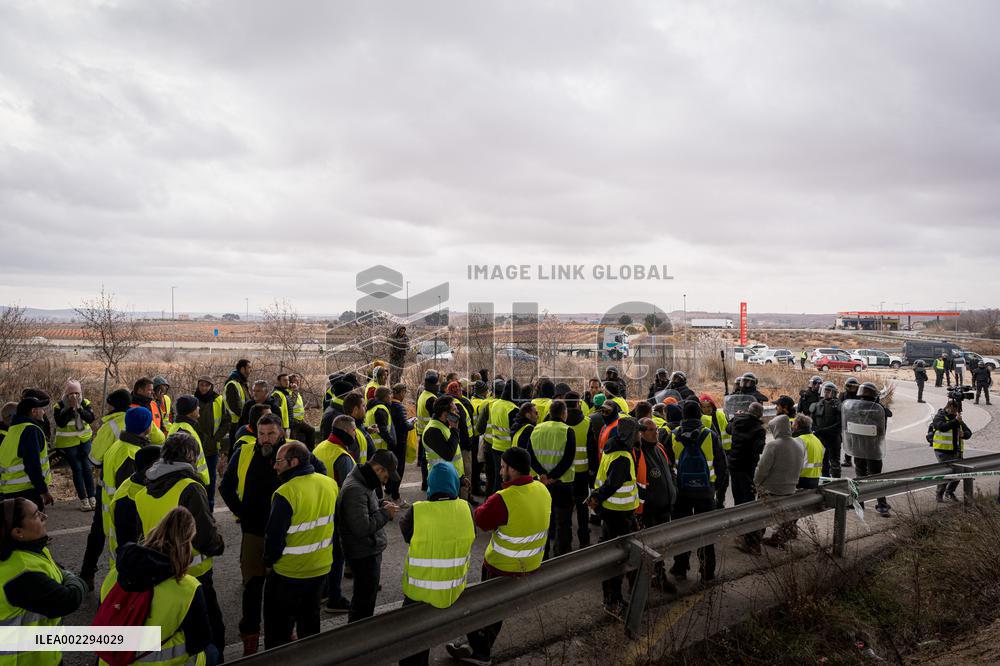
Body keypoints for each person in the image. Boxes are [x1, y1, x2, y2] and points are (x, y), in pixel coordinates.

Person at [220, 414, 325, 654]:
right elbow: (225, 486)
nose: (265, 439)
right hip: (255, 533)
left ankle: (284, 633)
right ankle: (250, 636)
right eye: (261, 433)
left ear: (281, 433)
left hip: (289, 535)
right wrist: (242, 512)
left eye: (271, 434)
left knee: (282, 591)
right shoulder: (244, 453)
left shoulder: (293, 452)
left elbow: (319, 470)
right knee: (253, 588)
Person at [446, 447, 550, 665]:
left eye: (503, 467)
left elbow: (481, 520)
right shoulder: (542, 489)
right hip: (531, 563)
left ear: (512, 469)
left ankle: (481, 652)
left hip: (503, 565)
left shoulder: (504, 498)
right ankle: (476, 646)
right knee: (495, 608)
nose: (500, 470)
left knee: (483, 608)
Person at [133, 432, 226, 657]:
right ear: (189, 456)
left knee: (176, 633)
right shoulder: (190, 488)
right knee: (211, 633)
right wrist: (219, 545)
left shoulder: (144, 490)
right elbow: (205, 537)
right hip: (194, 575)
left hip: (161, 575)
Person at [101, 507, 215, 665]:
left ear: (155, 531)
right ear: (187, 544)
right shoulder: (188, 588)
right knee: (211, 652)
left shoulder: (114, 574)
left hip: (110, 661)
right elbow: (199, 642)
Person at [399, 462, 476, 666]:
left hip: (418, 592)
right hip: (454, 589)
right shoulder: (467, 508)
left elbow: (407, 536)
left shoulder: (416, 511)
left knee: (412, 646)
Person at [262, 441, 338, 649]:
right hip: (320, 568)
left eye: (278, 461)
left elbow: (274, 537)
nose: (275, 466)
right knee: (310, 626)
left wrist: (269, 562)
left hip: (289, 572)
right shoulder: (329, 484)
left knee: (278, 632)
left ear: (293, 462)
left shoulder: (286, 492)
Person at [0, 497, 87, 665]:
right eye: (35, 515)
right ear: (18, 532)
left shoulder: (28, 551)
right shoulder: (22, 574)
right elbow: (69, 600)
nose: (44, 516)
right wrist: (76, 580)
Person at [336, 448, 400, 623]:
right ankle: (359, 637)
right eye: (386, 476)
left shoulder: (364, 480)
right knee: (363, 603)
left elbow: (362, 508)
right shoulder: (356, 488)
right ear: (378, 469)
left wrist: (380, 504)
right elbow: (361, 527)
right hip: (363, 552)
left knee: (366, 597)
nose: (386, 482)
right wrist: (385, 513)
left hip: (366, 549)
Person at [666, 400, 727, 581]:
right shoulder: (710, 435)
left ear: (683, 416)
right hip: (705, 492)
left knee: (682, 532)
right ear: (700, 415)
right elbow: (722, 465)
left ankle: (680, 568)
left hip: (681, 492)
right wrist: (715, 487)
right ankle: (707, 571)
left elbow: (667, 464)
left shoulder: (673, 435)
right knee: (706, 533)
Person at [588, 418, 639, 614]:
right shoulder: (622, 458)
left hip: (612, 513)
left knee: (613, 556)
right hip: (619, 516)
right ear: (629, 435)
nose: (639, 435)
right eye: (636, 432)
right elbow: (611, 485)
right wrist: (597, 498)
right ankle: (613, 601)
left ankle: (611, 599)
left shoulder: (612, 450)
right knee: (618, 560)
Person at [314, 414, 358, 615]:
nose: (355, 433)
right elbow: (348, 490)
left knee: (325, 553)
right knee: (337, 556)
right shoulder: (343, 457)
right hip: (335, 512)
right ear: (346, 431)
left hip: (317, 509)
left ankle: (323, 591)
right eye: (353, 430)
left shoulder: (320, 447)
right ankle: (335, 597)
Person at [100, 407, 154, 568]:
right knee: (126, 565)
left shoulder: (117, 445)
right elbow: (131, 493)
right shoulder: (132, 455)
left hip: (111, 513)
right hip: (124, 519)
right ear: (146, 427)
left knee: (117, 562)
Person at [105, 445, 161, 597]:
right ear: (151, 469)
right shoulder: (129, 499)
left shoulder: (137, 485)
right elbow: (129, 545)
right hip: (132, 572)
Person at [528, 399, 575, 558]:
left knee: (544, 520)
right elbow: (568, 459)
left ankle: (543, 554)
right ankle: (561, 554)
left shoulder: (536, 429)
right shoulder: (567, 430)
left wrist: (543, 475)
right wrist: (554, 477)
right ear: (564, 413)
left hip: (541, 483)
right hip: (563, 484)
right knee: (563, 522)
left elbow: (530, 456)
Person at [756, 415, 807, 549]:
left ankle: (754, 541)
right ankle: (780, 538)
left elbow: (762, 469)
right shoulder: (799, 444)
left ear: (776, 429)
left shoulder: (773, 445)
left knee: (759, 516)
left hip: (771, 490)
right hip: (790, 490)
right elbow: (800, 467)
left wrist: (756, 484)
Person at [0, 390, 53, 511]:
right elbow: (32, 464)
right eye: (41, 409)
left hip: (8, 492)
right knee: (35, 527)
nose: (43, 412)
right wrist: (44, 491)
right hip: (27, 492)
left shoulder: (12, 431)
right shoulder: (30, 430)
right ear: (34, 411)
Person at [846, 382, 893, 517]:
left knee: (864, 476)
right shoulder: (874, 410)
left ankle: (864, 503)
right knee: (874, 478)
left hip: (863, 448)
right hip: (868, 449)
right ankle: (877, 505)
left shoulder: (858, 409)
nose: (862, 400)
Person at [51, 379, 97, 511]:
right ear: (66, 393)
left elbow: (90, 418)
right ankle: (83, 500)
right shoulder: (59, 406)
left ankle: (92, 497)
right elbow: (61, 423)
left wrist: (79, 408)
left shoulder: (85, 403)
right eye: (71, 393)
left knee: (87, 468)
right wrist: (71, 408)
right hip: (68, 443)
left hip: (84, 440)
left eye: (77, 393)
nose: (75, 396)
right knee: (77, 469)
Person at [728, 402, 766, 554]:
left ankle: (740, 530)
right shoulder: (759, 429)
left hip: (734, 463)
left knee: (737, 496)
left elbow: (727, 429)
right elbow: (759, 448)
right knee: (749, 498)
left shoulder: (737, 421)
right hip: (747, 466)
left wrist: (734, 418)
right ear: (760, 415)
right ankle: (748, 535)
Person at [565, 391, 596, 549]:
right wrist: (592, 470)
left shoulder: (560, 422)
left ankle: (566, 540)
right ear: (578, 403)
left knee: (565, 508)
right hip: (582, 472)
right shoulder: (587, 422)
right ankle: (584, 539)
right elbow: (591, 448)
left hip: (563, 474)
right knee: (582, 506)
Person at [194, 376, 228, 509]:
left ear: (211, 386)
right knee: (196, 480)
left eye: (207, 385)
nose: (204, 388)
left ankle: (210, 509)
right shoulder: (193, 400)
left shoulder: (218, 400)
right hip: (195, 448)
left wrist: (215, 439)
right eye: (201, 384)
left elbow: (226, 422)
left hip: (212, 448)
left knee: (211, 480)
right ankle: (197, 509)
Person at [930, 400, 972, 502]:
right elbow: (942, 427)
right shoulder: (939, 417)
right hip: (943, 450)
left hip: (956, 451)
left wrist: (964, 434)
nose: (955, 413)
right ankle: (939, 494)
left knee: (959, 473)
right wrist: (956, 421)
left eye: (957, 411)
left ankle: (950, 492)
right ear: (949, 408)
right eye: (954, 411)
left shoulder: (957, 418)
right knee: (946, 473)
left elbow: (969, 432)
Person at [422, 396, 465, 494]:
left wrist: (461, 477)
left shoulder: (444, 425)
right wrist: (454, 429)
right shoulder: (432, 431)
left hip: (451, 477)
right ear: (445, 413)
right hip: (441, 480)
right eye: (454, 409)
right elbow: (448, 454)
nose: (457, 411)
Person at [167, 394, 212, 487]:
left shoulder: (182, 426)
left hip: (195, 482)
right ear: (190, 411)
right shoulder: (184, 432)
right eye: (196, 406)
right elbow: (185, 466)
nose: (199, 408)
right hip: (193, 483)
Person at [486, 379, 520, 496]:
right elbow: (515, 432)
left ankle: (492, 502)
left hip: (495, 447)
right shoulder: (513, 409)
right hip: (508, 451)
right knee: (507, 481)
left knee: (497, 478)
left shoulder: (495, 404)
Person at [699, 395, 730, 509]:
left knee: (724, 479)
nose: (707, 409)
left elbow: (726, 431)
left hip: (722, 451)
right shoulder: (701, 420)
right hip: (708, 454)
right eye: (704, 407)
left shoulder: (720, 415)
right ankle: (712, 502)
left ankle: (720, 501)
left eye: (709, 406)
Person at [810, 382, 843, 478]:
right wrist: (816, 429)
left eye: (828, 391)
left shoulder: (839, 406)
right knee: (823, 460)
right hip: (820, 437)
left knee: (835, 461)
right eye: (825, 391)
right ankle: (825, 481)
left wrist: (825, 430)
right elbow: (813, 420)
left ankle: (837, 483)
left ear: (834, 392)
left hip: (833, 437)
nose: (826, 393)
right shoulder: (817, 405)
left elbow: (840, 423)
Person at [387, 384, 412, 502]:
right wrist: (412, 423)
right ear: (399, 392)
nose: (404, 395)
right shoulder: (399, 407)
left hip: (391, 440)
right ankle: (395, 493)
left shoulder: (389, 404)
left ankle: (388, 488)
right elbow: (404, 425)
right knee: (399, 467)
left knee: (391, 465)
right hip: (400, 441)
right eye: (404, 392)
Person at [131, 377, 166, 446]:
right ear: (140, 390)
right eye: (150, 390)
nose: (153, 392)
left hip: (157, 447)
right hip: (138, 447)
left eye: (153, 390)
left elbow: (161, 426)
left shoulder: (154, 404)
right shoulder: (131, 407)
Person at [225, 359, 253, 447]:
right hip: (236, 424)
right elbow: (235, 407)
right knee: (235, 450)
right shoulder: (232, 384)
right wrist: (247, 417)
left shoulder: (242, 382)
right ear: (242, 369)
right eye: (249, 368)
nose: (250, 370)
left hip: (242, 423)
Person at [365, 386, 397, 454]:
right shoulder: (380, 409)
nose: (391, 398)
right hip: (380, 448)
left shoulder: (371, 408)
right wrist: (392, 442)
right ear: (385, 397)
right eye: (390, 396)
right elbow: (382, 430)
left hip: (372, 446)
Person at [288, 373, 316, 448]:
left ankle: (310, 452)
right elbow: (292, 404)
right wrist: (294, 390)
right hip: (293, 422)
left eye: (298, 381)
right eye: (295, 381)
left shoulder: (296, 392)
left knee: (311, 430)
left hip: (300, 420)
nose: (297, 383)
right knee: (293, 443)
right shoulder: (290, 392)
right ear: (290, 383)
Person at [839, 377, 861, 468]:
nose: (853, 388)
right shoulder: (843, 395)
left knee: (857, 442)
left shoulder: (860, 395)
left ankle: (859, 460)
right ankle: (847, 460)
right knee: (848, 441)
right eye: (850, 386)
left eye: (854, 386)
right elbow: (839, 406)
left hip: (857, 421)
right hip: (846, 421)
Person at [271, 373, 293, 437]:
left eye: (288, 380)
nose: (287, 382)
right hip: (282, 428)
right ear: (278, 382)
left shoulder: (285, 393)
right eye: (284, 380)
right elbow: (275, 413)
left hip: (287, 426)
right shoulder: (277, 395)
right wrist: (279, 428)